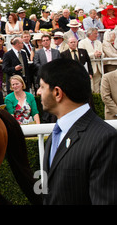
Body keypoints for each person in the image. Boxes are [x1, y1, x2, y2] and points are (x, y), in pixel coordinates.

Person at [37, 58, 117, 204]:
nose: (38, 92)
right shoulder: (56, 134)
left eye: (42, 87)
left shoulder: (105, 138)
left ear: (57, 93)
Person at [78, 28, 103, 93]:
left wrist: (100, 54)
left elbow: (103, 53)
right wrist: (93, 54)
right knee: (90, 87)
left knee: (98, 88)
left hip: (98, 68)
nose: (97, 35)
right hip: (88, 68)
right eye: (95, 33)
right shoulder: (82, 42)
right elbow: (81, 55)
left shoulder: (99, 42)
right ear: (89, 34)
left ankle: (97, 101)